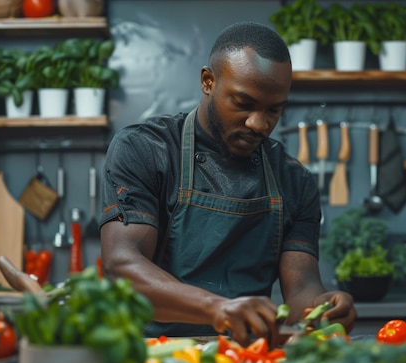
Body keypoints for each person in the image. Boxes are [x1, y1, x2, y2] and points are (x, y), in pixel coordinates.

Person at [99, 21, 357, 346]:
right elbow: (122, 265)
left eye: (274, 110)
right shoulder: (146, 150)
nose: (259, 124)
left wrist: (324, 309)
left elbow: (302, 288)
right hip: (152, 357)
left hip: (246, 358)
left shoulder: (294, 180)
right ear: (208, 81)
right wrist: (218, 308)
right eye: (244, 104)